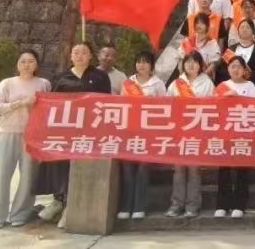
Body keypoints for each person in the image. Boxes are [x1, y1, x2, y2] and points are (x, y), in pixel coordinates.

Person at [33, 42, 111, 229]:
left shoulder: (100, 76)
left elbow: (106, 102)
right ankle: (58, 201)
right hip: (65, 131)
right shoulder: (61, 77)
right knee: (61, 164)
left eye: (84, 52)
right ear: (71, 56)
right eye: (76, 52)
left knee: (81, 166)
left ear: (91, 56)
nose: (80, 55)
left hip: (89, 131)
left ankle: (71, 207)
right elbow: (52, 104)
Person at [0, 50, 51, 230]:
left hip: (32, 135)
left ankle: (20, 213)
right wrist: (22, 103)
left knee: (28, 177)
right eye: (23, 61)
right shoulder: (7, 83)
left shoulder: (43, 84)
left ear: (37, 65)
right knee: (2, 176)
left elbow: (48, 108)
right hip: (7, 133)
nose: (26, 65)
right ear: (17, 64)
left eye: (31, 61)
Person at [117, 51, 166, 220]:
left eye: (145, 62)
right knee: (127, 169)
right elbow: (122, 106)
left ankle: (139, 206)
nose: (141, 65)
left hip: (149, 132)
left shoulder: (158, 84)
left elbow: (165, 108)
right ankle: (126, 206)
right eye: (139, 62)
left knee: (143, 169)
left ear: (152, 66)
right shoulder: (128, 83)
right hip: (129, 131)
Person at [165, 52, 215, 218]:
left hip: (197, 132)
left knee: (194, 170)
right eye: (188, 62)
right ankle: (176, 204)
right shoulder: (175, 84)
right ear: (183, 65)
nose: (191, 65)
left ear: (200, 65)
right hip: (179, 132)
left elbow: (213, 108)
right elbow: (167, 107)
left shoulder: (207, 83)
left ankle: (192, 205)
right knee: (178, 170)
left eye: (195, 62)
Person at [214, 57, 255, 218]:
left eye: (239, 66)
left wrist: (238, 98)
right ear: (228, 69)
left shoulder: (250, 85)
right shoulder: (222, 86)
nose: (235, 69)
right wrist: (226, 96)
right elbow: (214, 107)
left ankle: (240, 205)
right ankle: (222, 204)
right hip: (226, 132)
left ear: (244, 69)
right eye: (232, 66)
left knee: (241, 170)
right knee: (224, 170)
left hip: (243, 132)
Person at [219, 19, 255, 89]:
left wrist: (246, 77)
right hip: (231, 86)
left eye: (247, 27)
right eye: (242, 27)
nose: (244, 29)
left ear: (253, 32)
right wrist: (234, 76)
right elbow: (222, 69)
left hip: (250, 86)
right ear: (238, 32)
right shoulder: (231, 49)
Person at [175, 12, 221, 81]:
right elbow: (180, 60)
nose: (199, 25)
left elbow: (214, 63)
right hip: (186, 79)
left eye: (202, 23)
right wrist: (184, 75)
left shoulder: (212, 43)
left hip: (204, 80)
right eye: (197, 23)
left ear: (207, 26)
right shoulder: (187, 41)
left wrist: (203, 76)